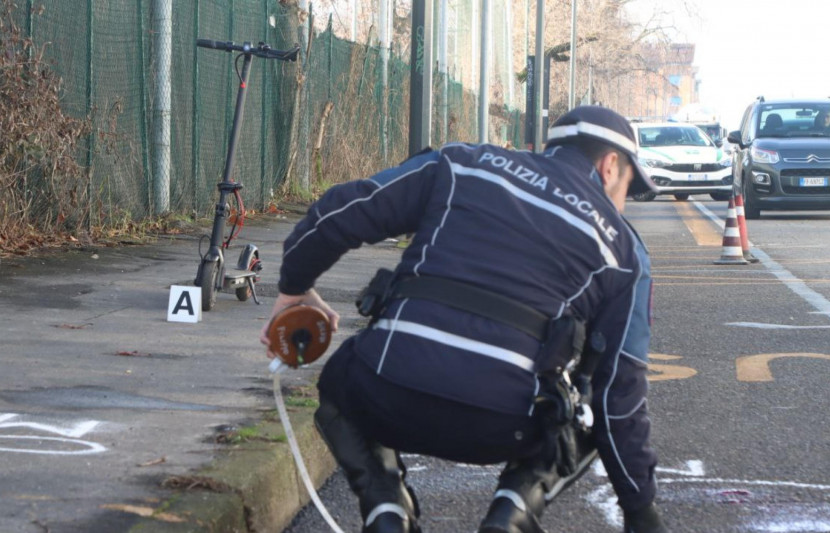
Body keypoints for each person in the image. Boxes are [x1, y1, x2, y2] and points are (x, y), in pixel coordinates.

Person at [260, 106, 667, 533]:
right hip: (503, 425)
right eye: (628, 188)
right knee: (586, 410)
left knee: (343, 376)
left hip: (387, 392)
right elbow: (619, 399)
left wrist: (293, 290)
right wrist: (641, 512)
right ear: (609, 166)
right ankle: (511, 515)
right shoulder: (625, 252)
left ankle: (385, 509)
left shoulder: (462, 164)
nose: (623, 203)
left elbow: (342, 210)